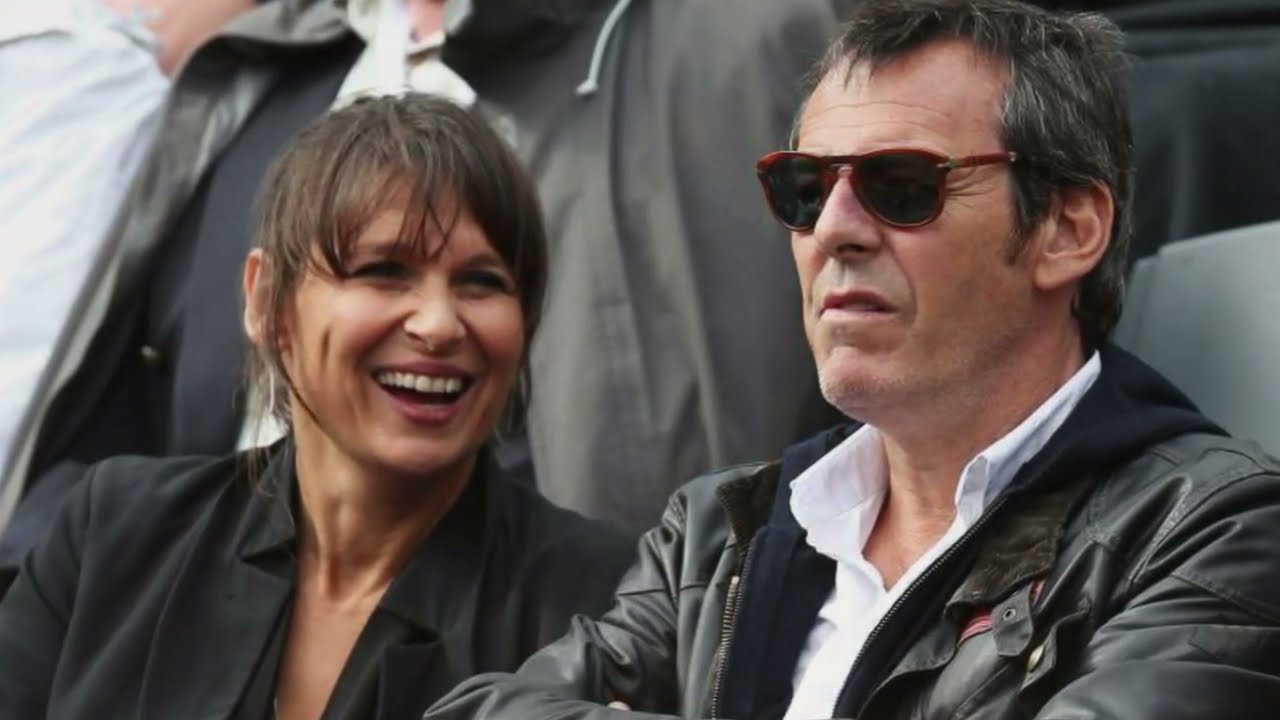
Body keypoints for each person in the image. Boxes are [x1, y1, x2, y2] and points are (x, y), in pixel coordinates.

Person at [421, 2, 1280, 719]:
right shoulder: (717, 536)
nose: (831, 230)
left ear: (1067, 229)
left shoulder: (1216, 531)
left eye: (901, 186)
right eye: (803, 189)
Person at [0, 0, 849, 562]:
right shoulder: (258, 66)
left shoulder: (754, 37)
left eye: (480, 283)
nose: (435, 322)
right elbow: (116, 441)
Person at [0, 93, 634, 720]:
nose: (440, 324)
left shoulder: (606, 605)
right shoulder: (114, 537)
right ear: (266, 301)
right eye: (384, 270)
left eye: (482, 281)